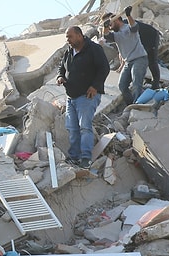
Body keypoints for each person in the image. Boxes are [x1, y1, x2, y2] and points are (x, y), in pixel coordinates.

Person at [57, 26, 110, 170]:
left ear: (80, 36)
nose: (68, 40)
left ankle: (86, 158)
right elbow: (61, 67)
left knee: (85, 127)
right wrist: (60, 76)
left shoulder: (93, 49)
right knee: (72, 128)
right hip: (71, 96)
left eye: (70, 37)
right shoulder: (69, 51)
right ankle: (74, 156)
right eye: (67, 37)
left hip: (87, 96)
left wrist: (95, 86)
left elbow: (104, 68)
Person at [102, 6, 149, 105]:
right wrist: (105, 27)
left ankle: (137, 105)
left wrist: (128, 15)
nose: (110, 27)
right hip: (128, 61)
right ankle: (131, 104)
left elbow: (135, 27)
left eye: (111, 24)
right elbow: (106, 36)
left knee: (137, 83)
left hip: (139, 59)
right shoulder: (116, 35)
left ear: (117, 20)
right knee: (122, 85)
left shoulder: (128, 28)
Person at [103, 11, 162, 89]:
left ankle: (155, 84)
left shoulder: (125, 24)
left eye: (108, 21)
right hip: (140, 40)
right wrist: (122, 66)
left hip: (150, 36)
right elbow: (122, 47)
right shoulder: (116, 27)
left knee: (151, 61)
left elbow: (132, 31)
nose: (109, 25)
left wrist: (122, 65)